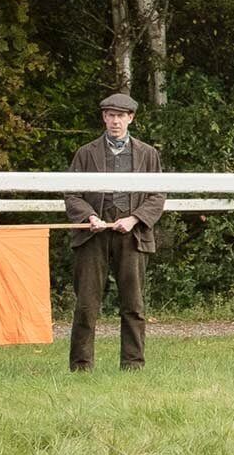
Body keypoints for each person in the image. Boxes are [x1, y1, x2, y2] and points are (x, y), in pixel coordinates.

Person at [66, 93, 165, 371]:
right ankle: (81, 366)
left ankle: (133, 365)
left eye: (120, 116)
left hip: (131, 234)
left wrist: (135, 219)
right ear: (103, 118)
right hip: (92, 234)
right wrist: (90, 216)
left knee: (133, 304)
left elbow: (158, 196)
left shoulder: (148, 154)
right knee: (86, 304)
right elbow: (71, 193)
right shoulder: (86, 153)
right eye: (110, 115)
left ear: (130, 118)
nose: (115, 121)